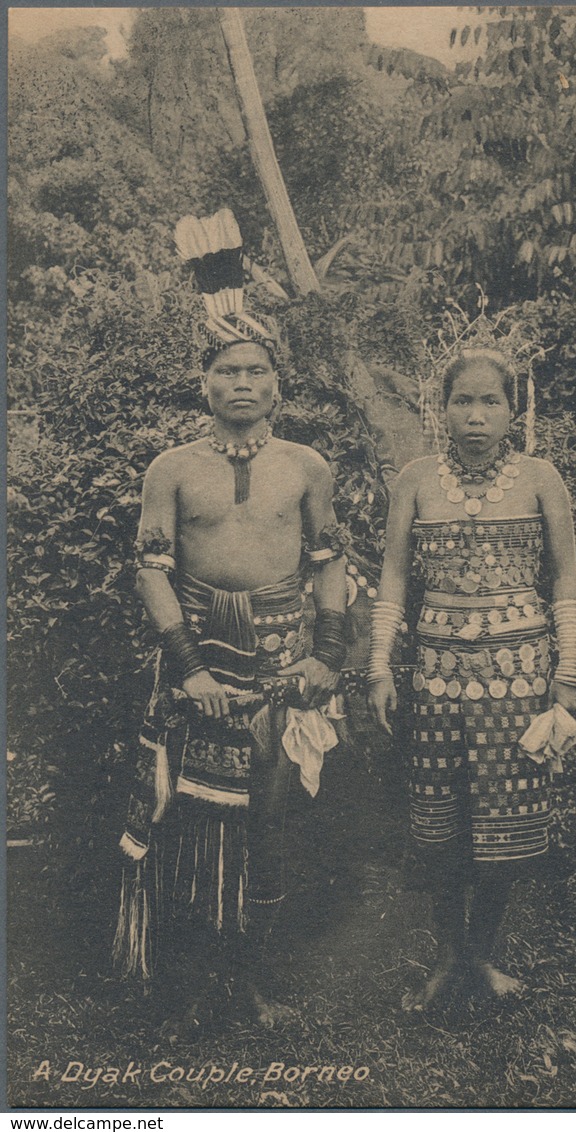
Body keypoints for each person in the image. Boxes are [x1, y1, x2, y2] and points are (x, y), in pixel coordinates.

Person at [113, 210, 347, 1035]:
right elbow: (151, 570)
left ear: (277, 387)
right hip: (200, 656)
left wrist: (327, 655)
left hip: (283, 662)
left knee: (269, 826)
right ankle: (186, 988)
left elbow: (329, 562)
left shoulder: (307, 467)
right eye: (227, 371)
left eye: (256, 371)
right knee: (187, 823)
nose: (242, 383)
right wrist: (190, 669)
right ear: (204, 384)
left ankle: (249, 982)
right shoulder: (171, 469)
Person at [368, 343, 576, 1012]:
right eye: (464, 400)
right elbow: (396, 578)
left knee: (504, 824)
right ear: (441, 408)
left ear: (514, 410)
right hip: (435, 679)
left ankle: (484, 956)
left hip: (520, 681)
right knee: (442, 826)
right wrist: (380, 663)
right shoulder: (415, 479)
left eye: (492, 401)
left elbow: (566, 577)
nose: (477, 416)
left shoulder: (542, 478)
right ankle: (447, 959)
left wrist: (567, 675)